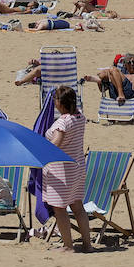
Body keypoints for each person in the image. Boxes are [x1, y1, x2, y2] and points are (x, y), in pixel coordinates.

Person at [41, 88, 91, 253]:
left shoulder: (62, 123)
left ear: (60, 104)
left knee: (60, 209)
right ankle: (87, 245)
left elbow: (57, 142)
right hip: (76, 168)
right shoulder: (80, 117)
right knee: (77, 206)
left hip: (61, 171)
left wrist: (41, 150)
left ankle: (68, 246)